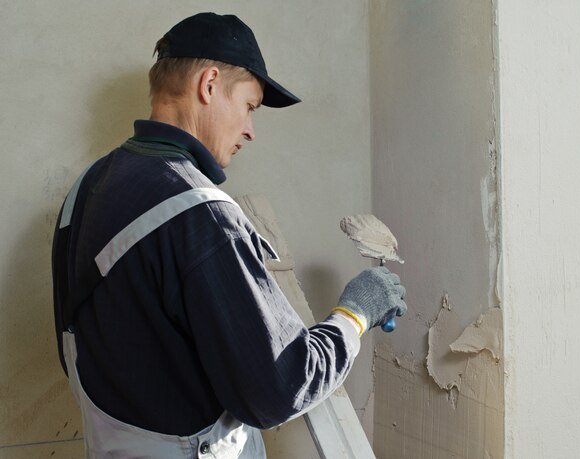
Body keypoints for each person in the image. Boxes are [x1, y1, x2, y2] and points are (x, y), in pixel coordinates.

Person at [52, 12, 407, 458]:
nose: (250, 131)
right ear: (209, 84)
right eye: (249, 107)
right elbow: (277, 388)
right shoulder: (200, 213)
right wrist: (356, 313)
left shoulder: (85, 190)